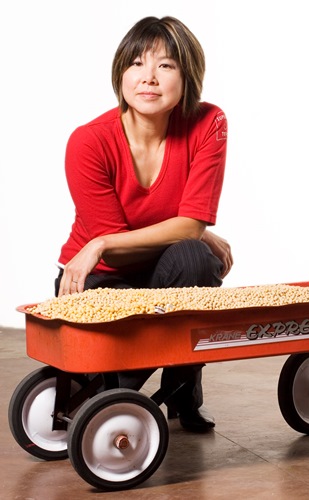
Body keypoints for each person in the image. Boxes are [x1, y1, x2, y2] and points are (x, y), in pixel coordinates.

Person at [54, 16, 233, 432]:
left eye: (166, 66)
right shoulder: (89, 141)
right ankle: (117, 393)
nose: (148, 78)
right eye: (136, 63)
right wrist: (190, 226)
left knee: (194, 258)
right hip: (100, 280)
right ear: (120, 74)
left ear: (188, 77)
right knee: (102, 396)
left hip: (158, 272)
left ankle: (180, 392)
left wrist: (195, 229)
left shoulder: (209, 123)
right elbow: (115, 238)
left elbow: (185, 229)